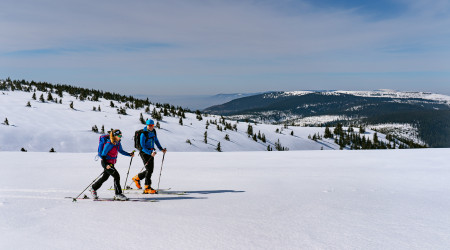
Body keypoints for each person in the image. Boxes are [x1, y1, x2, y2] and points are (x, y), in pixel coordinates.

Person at [90, 129, 134, 200]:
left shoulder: (118, 143)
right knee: (116, 176)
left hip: (111, 163)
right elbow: (103, 155)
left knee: (105, 177)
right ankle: (118, 194)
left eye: (121, 135)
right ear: (115, 136)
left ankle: (93, 188)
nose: (120, 137)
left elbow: (121, 151)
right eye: (119, 135)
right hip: (106, 162)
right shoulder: (109, 144)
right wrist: (106, 165)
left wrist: (129, 154)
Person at [132, 119, 166, 194]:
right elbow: (142, 146)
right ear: (147, 125)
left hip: (151, 152)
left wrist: (161, 149)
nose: (151, 127)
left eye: (152, 125)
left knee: (150, 170)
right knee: (149, 170)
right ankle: (147, 187)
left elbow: (156, 141)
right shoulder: (143, 134)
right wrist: (150, 152)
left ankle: (137, 178)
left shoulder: (153, 132)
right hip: (144, 153)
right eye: (150, 125)